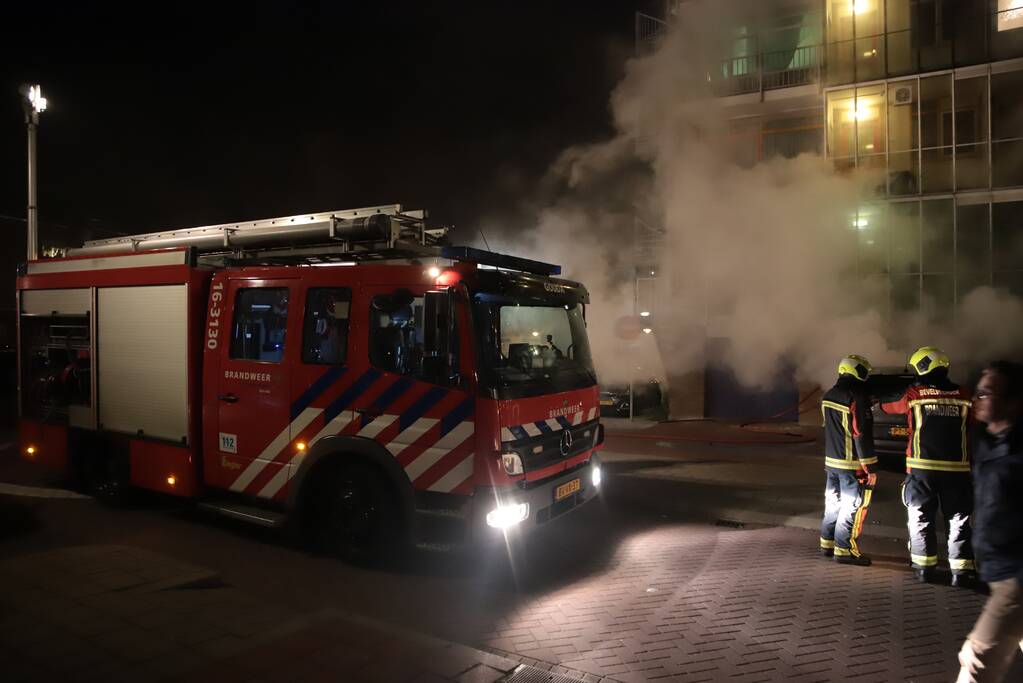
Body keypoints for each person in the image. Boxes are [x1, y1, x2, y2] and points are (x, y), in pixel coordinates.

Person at [881, 346, 975, 585]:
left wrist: (877, 404)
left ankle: (924, 569)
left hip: (922, 470)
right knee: (959, 519)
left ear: (923, 368)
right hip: (957, 470)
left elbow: (891, 406)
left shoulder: (915, 394)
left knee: (921, 517)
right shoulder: (964, 395)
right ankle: (962, 572)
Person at [956, 361, 1023, 683]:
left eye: (987, 393)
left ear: (1014, 402)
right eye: (977, 392)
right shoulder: (986, 441)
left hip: (1016, 576)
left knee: (977, 661)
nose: (976, 399)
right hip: (999, 569)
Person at [820, 354, 877, 566]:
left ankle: (827, 543)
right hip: (851, 464)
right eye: (864, 371)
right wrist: (870, 467)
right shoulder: (855, 398)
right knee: (851, 506)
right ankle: (845, 550)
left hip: (831, 462)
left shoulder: (828, 395)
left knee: (832, 504)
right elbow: (860, 434)